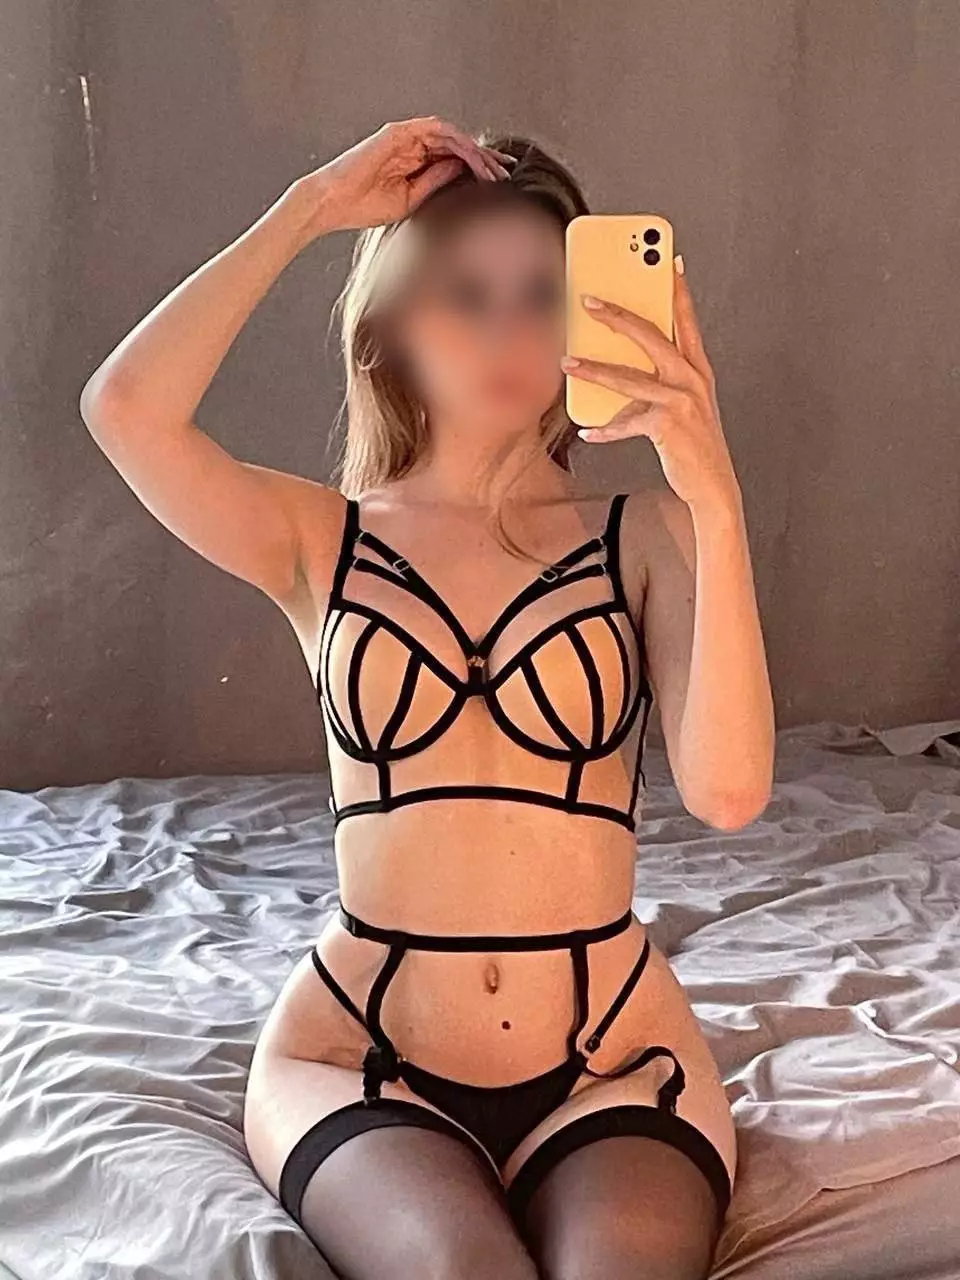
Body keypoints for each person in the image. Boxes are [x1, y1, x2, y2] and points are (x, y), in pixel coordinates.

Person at [80, 115, 775, 1280]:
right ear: (397, 321)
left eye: (542, 295)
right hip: (357, 1055)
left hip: (612, 1058)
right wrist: (311, 205)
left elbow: (730, 790)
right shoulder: (320, 537)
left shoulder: (649, 532)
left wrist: (715, 491)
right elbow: (125, 410)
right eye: (467, 294)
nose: (510, 331)